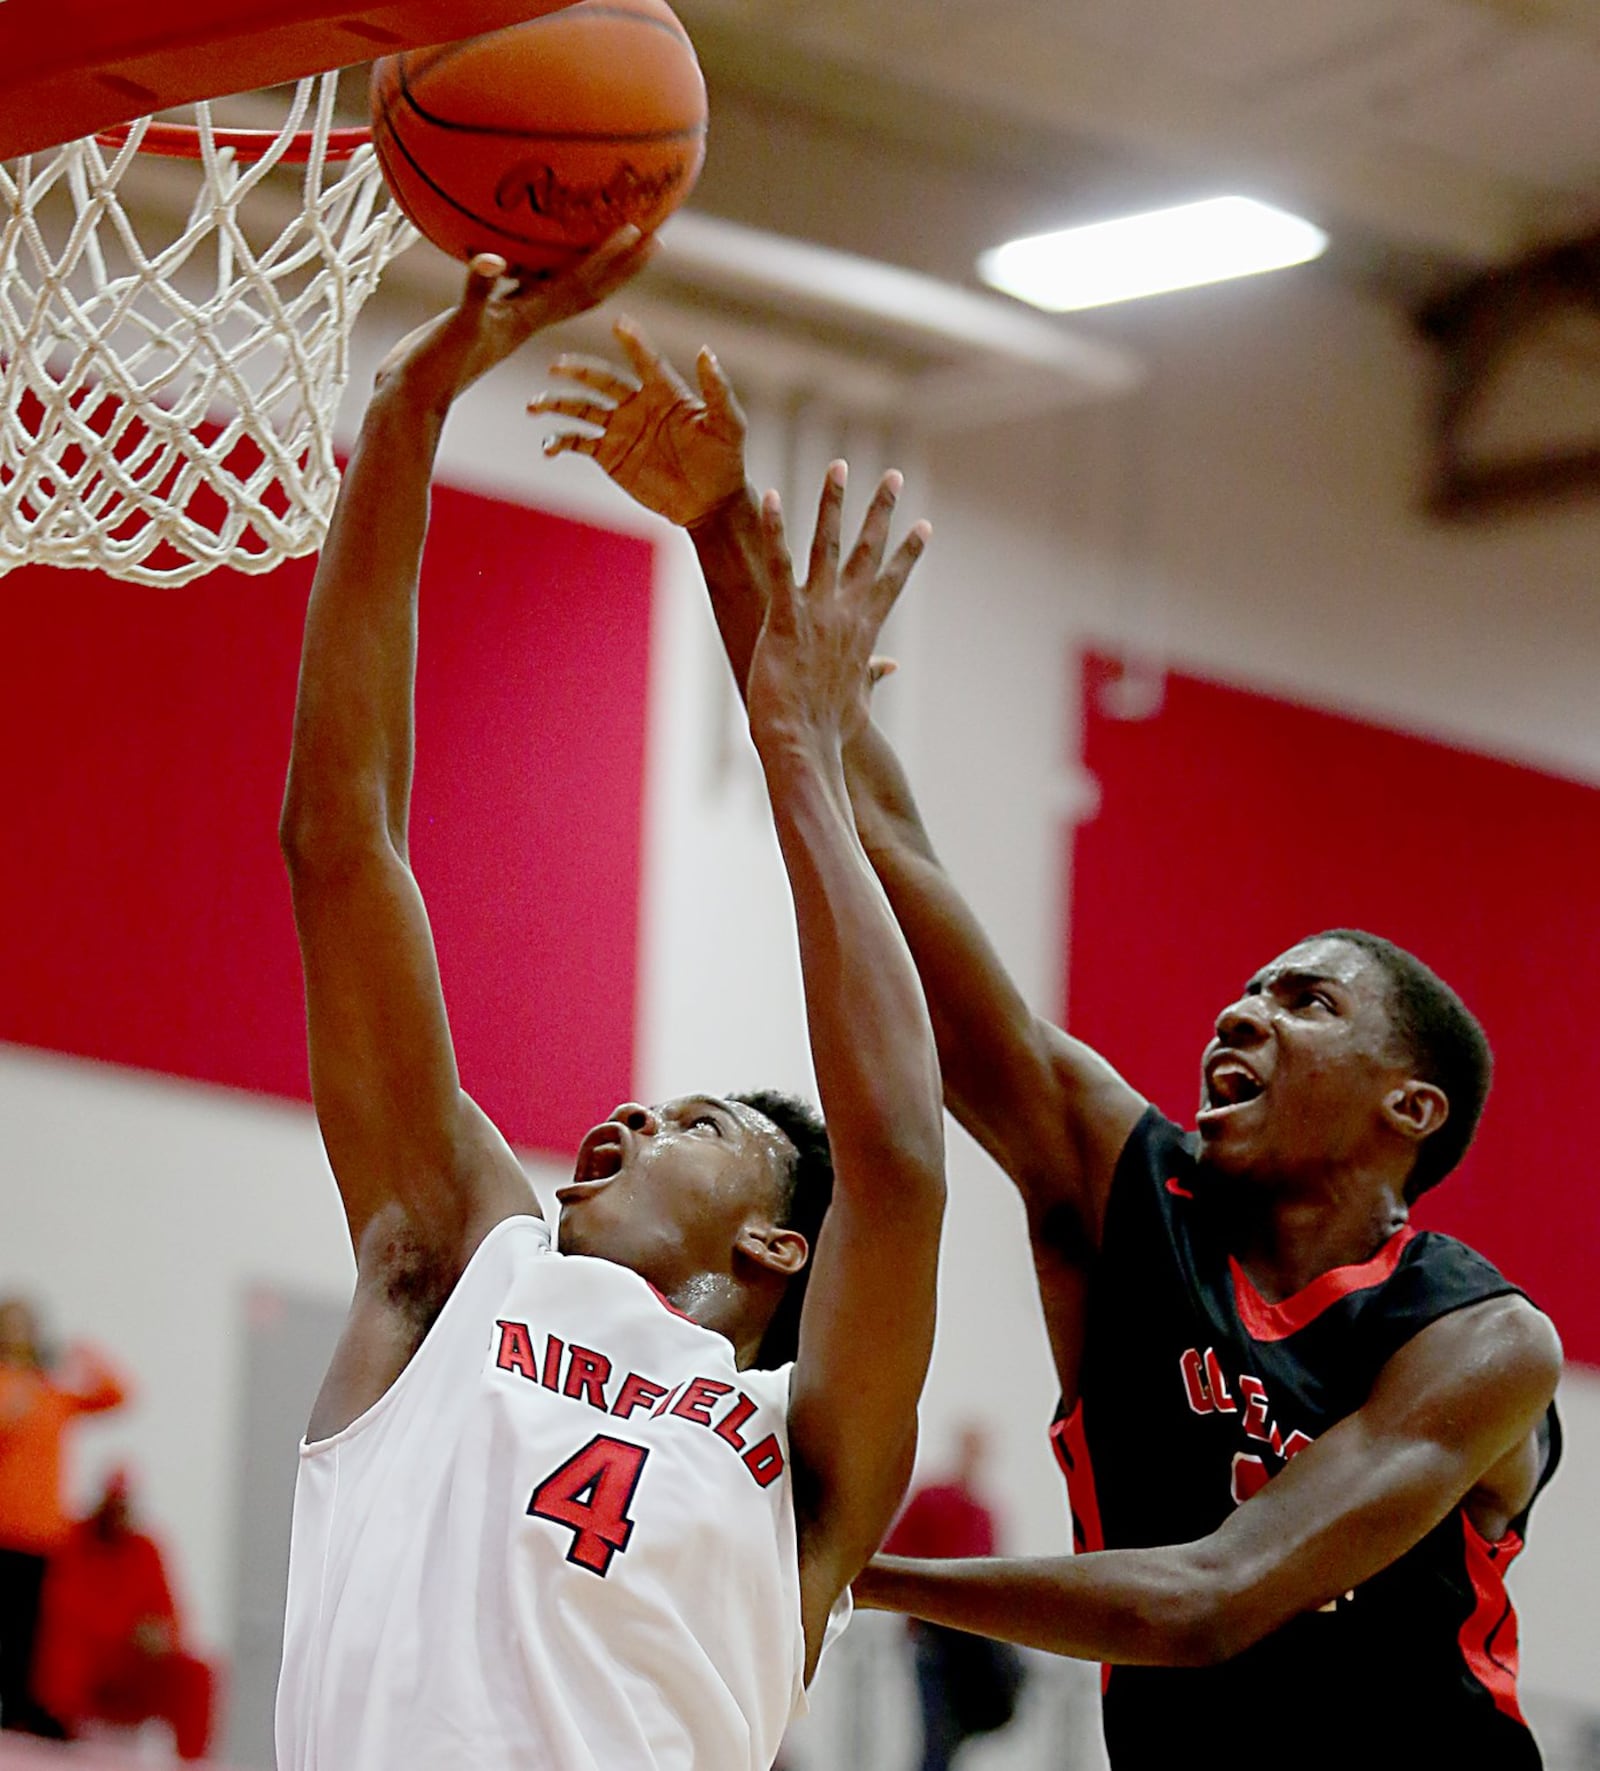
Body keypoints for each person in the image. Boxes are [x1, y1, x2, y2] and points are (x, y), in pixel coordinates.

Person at [532, 326, 1566, 1768]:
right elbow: (886, 844)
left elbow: (1213, 1596)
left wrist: (827, 1553)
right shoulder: (1123, 1183)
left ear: (1411, 1105)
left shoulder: (1483, 1338)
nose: (1243, 1012)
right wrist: (719, 528)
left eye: (1307, 1002)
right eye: (1248, 992)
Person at [273, 229, 946, 1771]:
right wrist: (404, 424)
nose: (628, 1112)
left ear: (781, 1244)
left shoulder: (807, 1456)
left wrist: (796, 746)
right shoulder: (457, 1265)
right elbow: (343, 843)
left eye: (697, 1120)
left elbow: (900, 1154)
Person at [0, 1295, 128, 1737]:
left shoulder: (52, 1391)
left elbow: (117, 1394)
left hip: (40, 1531)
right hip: (3, 1525)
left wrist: (84, 1351)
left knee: (27, 1630)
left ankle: (17, 1708)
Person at [31, 1468, 215, 1759]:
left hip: (130, 1666)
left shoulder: (145, 1550)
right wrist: (126, 1630)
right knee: (62, 1660)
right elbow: (64, 1615)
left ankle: (192, 1763)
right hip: (84, 1669)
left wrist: (158, 1636)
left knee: (196, 1672)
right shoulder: (71, 1542)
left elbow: (170, 1618)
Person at [884, 1426, 1021, 1771]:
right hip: (934, 1639)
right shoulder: (933, 1499)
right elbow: (897, 1551)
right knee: (936, 1739)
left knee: (947, 1740)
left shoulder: (984, 1515)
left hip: (968, 1646)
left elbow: (993, 1581)